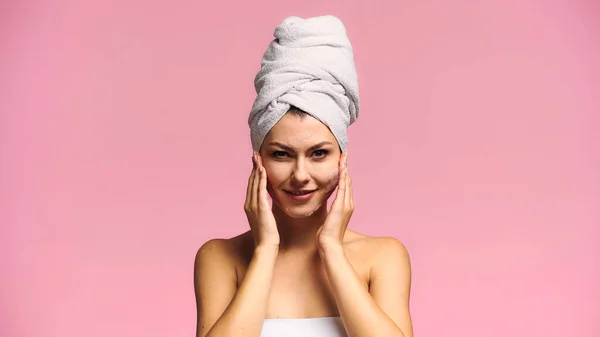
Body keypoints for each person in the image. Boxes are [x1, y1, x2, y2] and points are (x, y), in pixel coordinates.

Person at [194, 15, 413, 337]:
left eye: (319, 153)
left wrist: (331, 249)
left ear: (342, 159)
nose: (300, 175)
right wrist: (266, 248)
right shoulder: (220, 258)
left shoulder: (383, 257)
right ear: (258, 160)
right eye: (281, 154)